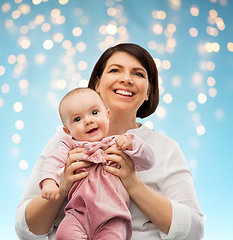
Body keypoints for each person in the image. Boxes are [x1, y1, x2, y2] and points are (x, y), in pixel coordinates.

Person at [15, 43, 204, 240]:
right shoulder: (64, 143)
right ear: (97, 84)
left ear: (148, 92)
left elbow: (193, 232)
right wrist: (62, 188)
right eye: (115, 70)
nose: (126, 79)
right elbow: (25, 229)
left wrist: (134, 184)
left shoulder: (165, 148)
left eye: (138, 74)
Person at [40, 87, 155, 239]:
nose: (88, 121)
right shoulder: (69, 146)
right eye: (77, 119)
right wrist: (49, 182)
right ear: (68, 131)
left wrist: (132, 145)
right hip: (77, 215)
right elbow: (53, 161)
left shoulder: (118, 142)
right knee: (64, 234)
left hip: (113, 217)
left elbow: (148, 162)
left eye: (94, 113)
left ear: (107, 116)